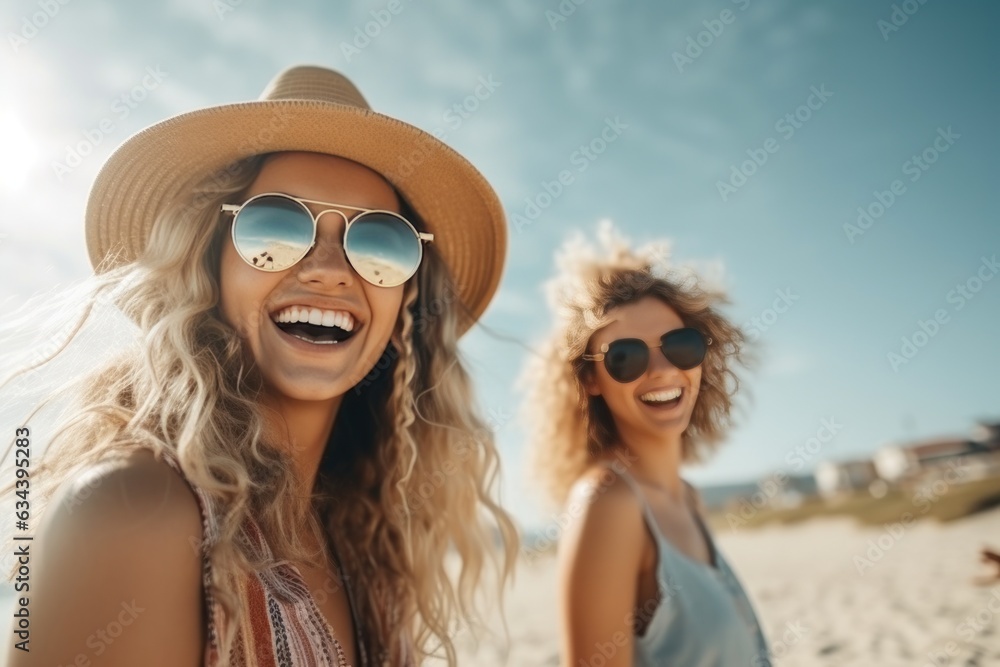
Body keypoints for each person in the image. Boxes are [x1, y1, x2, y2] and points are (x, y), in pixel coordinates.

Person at [1, 65, 517, 666]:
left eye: (381, 242)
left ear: (407, 300)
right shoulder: (135, 511)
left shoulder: (361, 549)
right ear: (209, 264)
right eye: (276, 225)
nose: (329, 267)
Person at [522, 224, 770, 667]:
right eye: (626, 356)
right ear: (590, 380)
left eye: (680, 345)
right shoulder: (609, 504)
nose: (661, 370)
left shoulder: (688, 498)